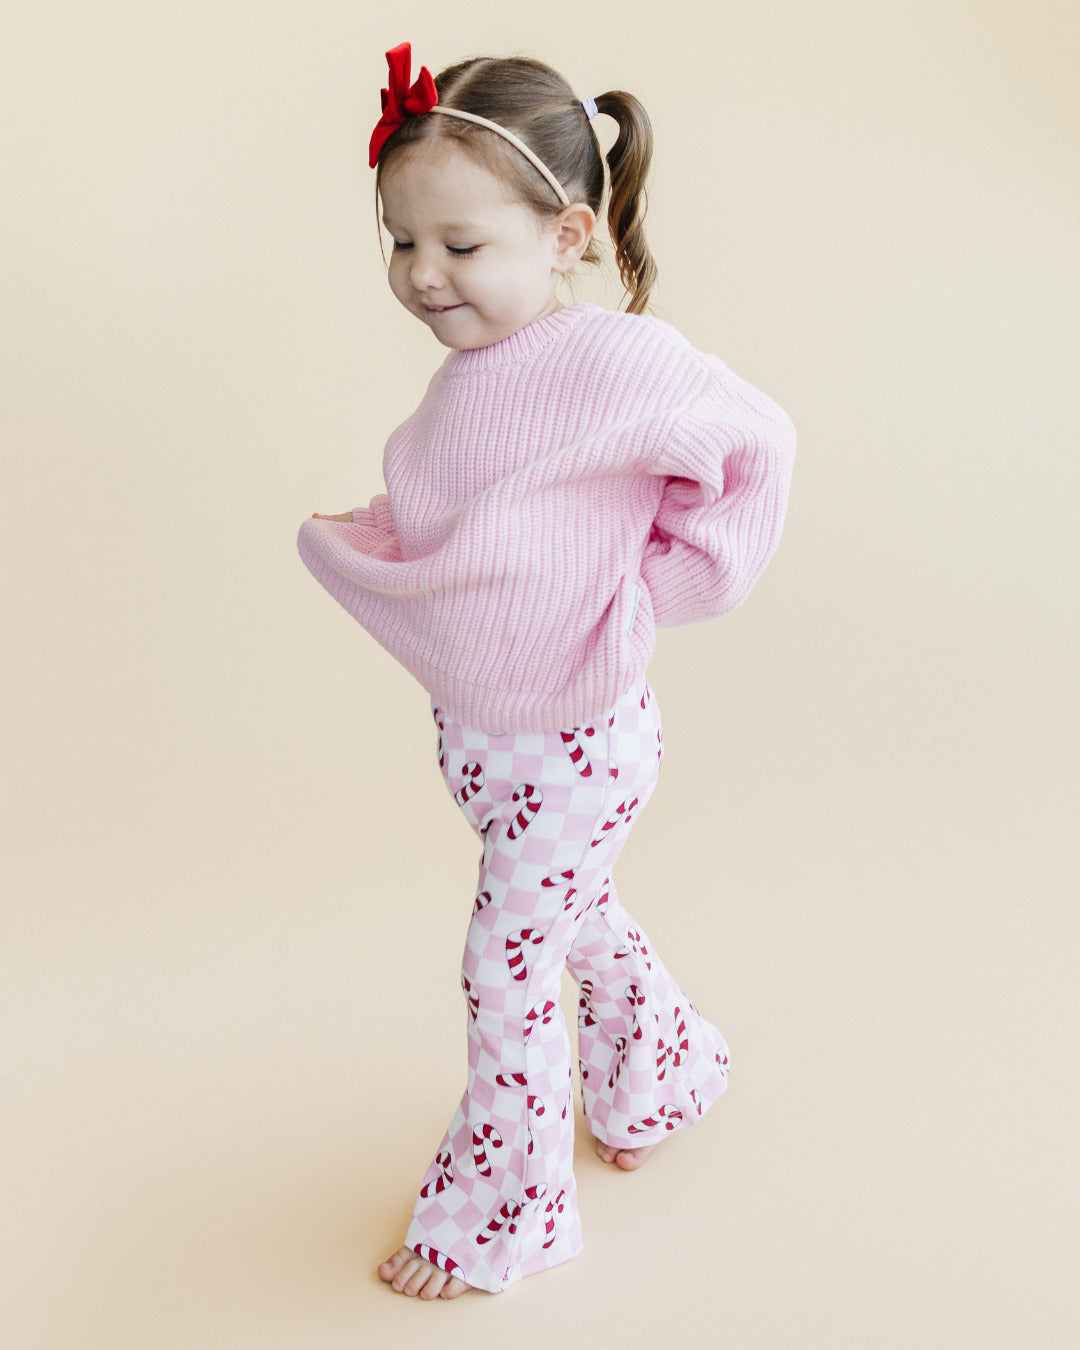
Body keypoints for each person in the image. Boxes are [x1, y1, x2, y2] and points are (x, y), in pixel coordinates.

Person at [297, 43, 796, 1300]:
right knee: (580, 921)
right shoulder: (470, 377)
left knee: (505, 965)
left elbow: (758, 445)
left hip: (581, 745)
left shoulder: (616, 360)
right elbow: (481, 523)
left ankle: (500, 1221)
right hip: (487, 741)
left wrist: (653, 595)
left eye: (460, 246)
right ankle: (666, 1075)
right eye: (401, 243)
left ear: (567, 233)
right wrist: (383, 535)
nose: (422, 275)